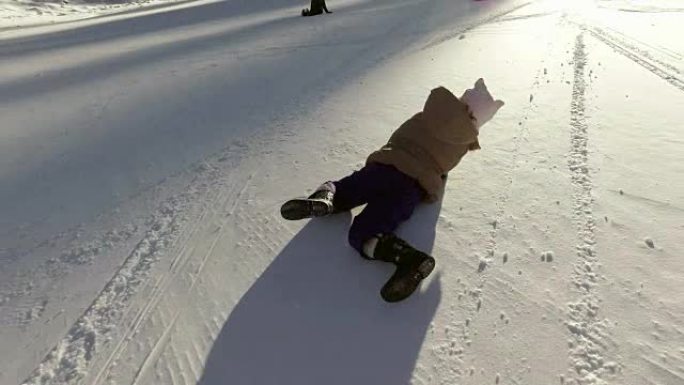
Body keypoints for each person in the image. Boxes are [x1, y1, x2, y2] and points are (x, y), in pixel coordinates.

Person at [281, 78, 505, 302]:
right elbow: (443, 167)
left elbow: (399, 135)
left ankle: (328, 197)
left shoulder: (429, 112)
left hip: (386, 164)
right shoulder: (462, 142)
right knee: (366, 230)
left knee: (348, 189)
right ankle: (406, 257)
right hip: (412, 186)